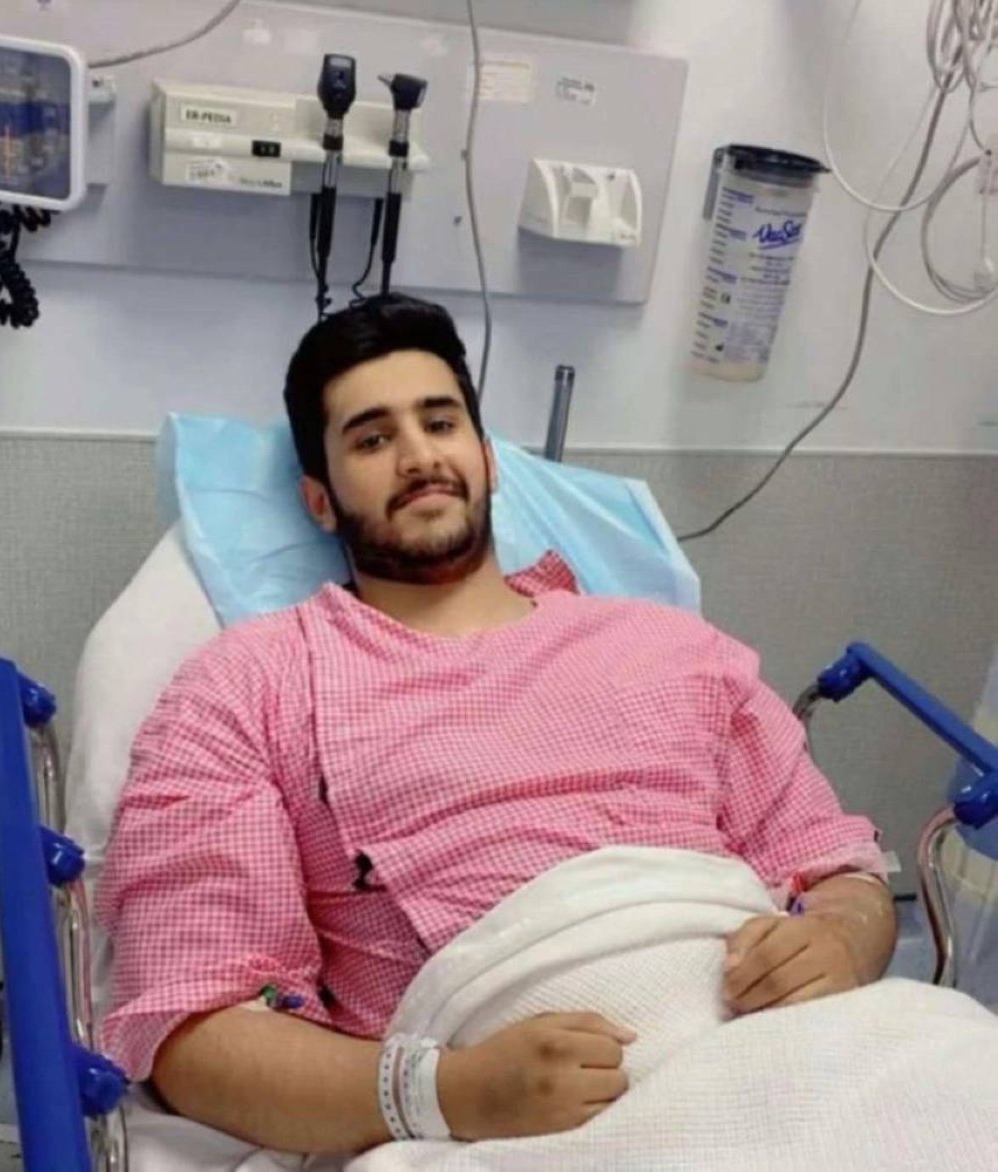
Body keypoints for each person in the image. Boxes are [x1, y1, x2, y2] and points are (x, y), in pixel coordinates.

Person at [96, 294, 896, 1157]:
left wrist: (839, 942)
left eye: (440, 422)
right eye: (372, 439)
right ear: (318, 500)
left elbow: (838, 866)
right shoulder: (248, 685)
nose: (418, 456)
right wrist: (446, 1092)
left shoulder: (672, 648)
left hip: (777, 1045)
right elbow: (191, 1027)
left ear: (486, 458)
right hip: (500, 1109)